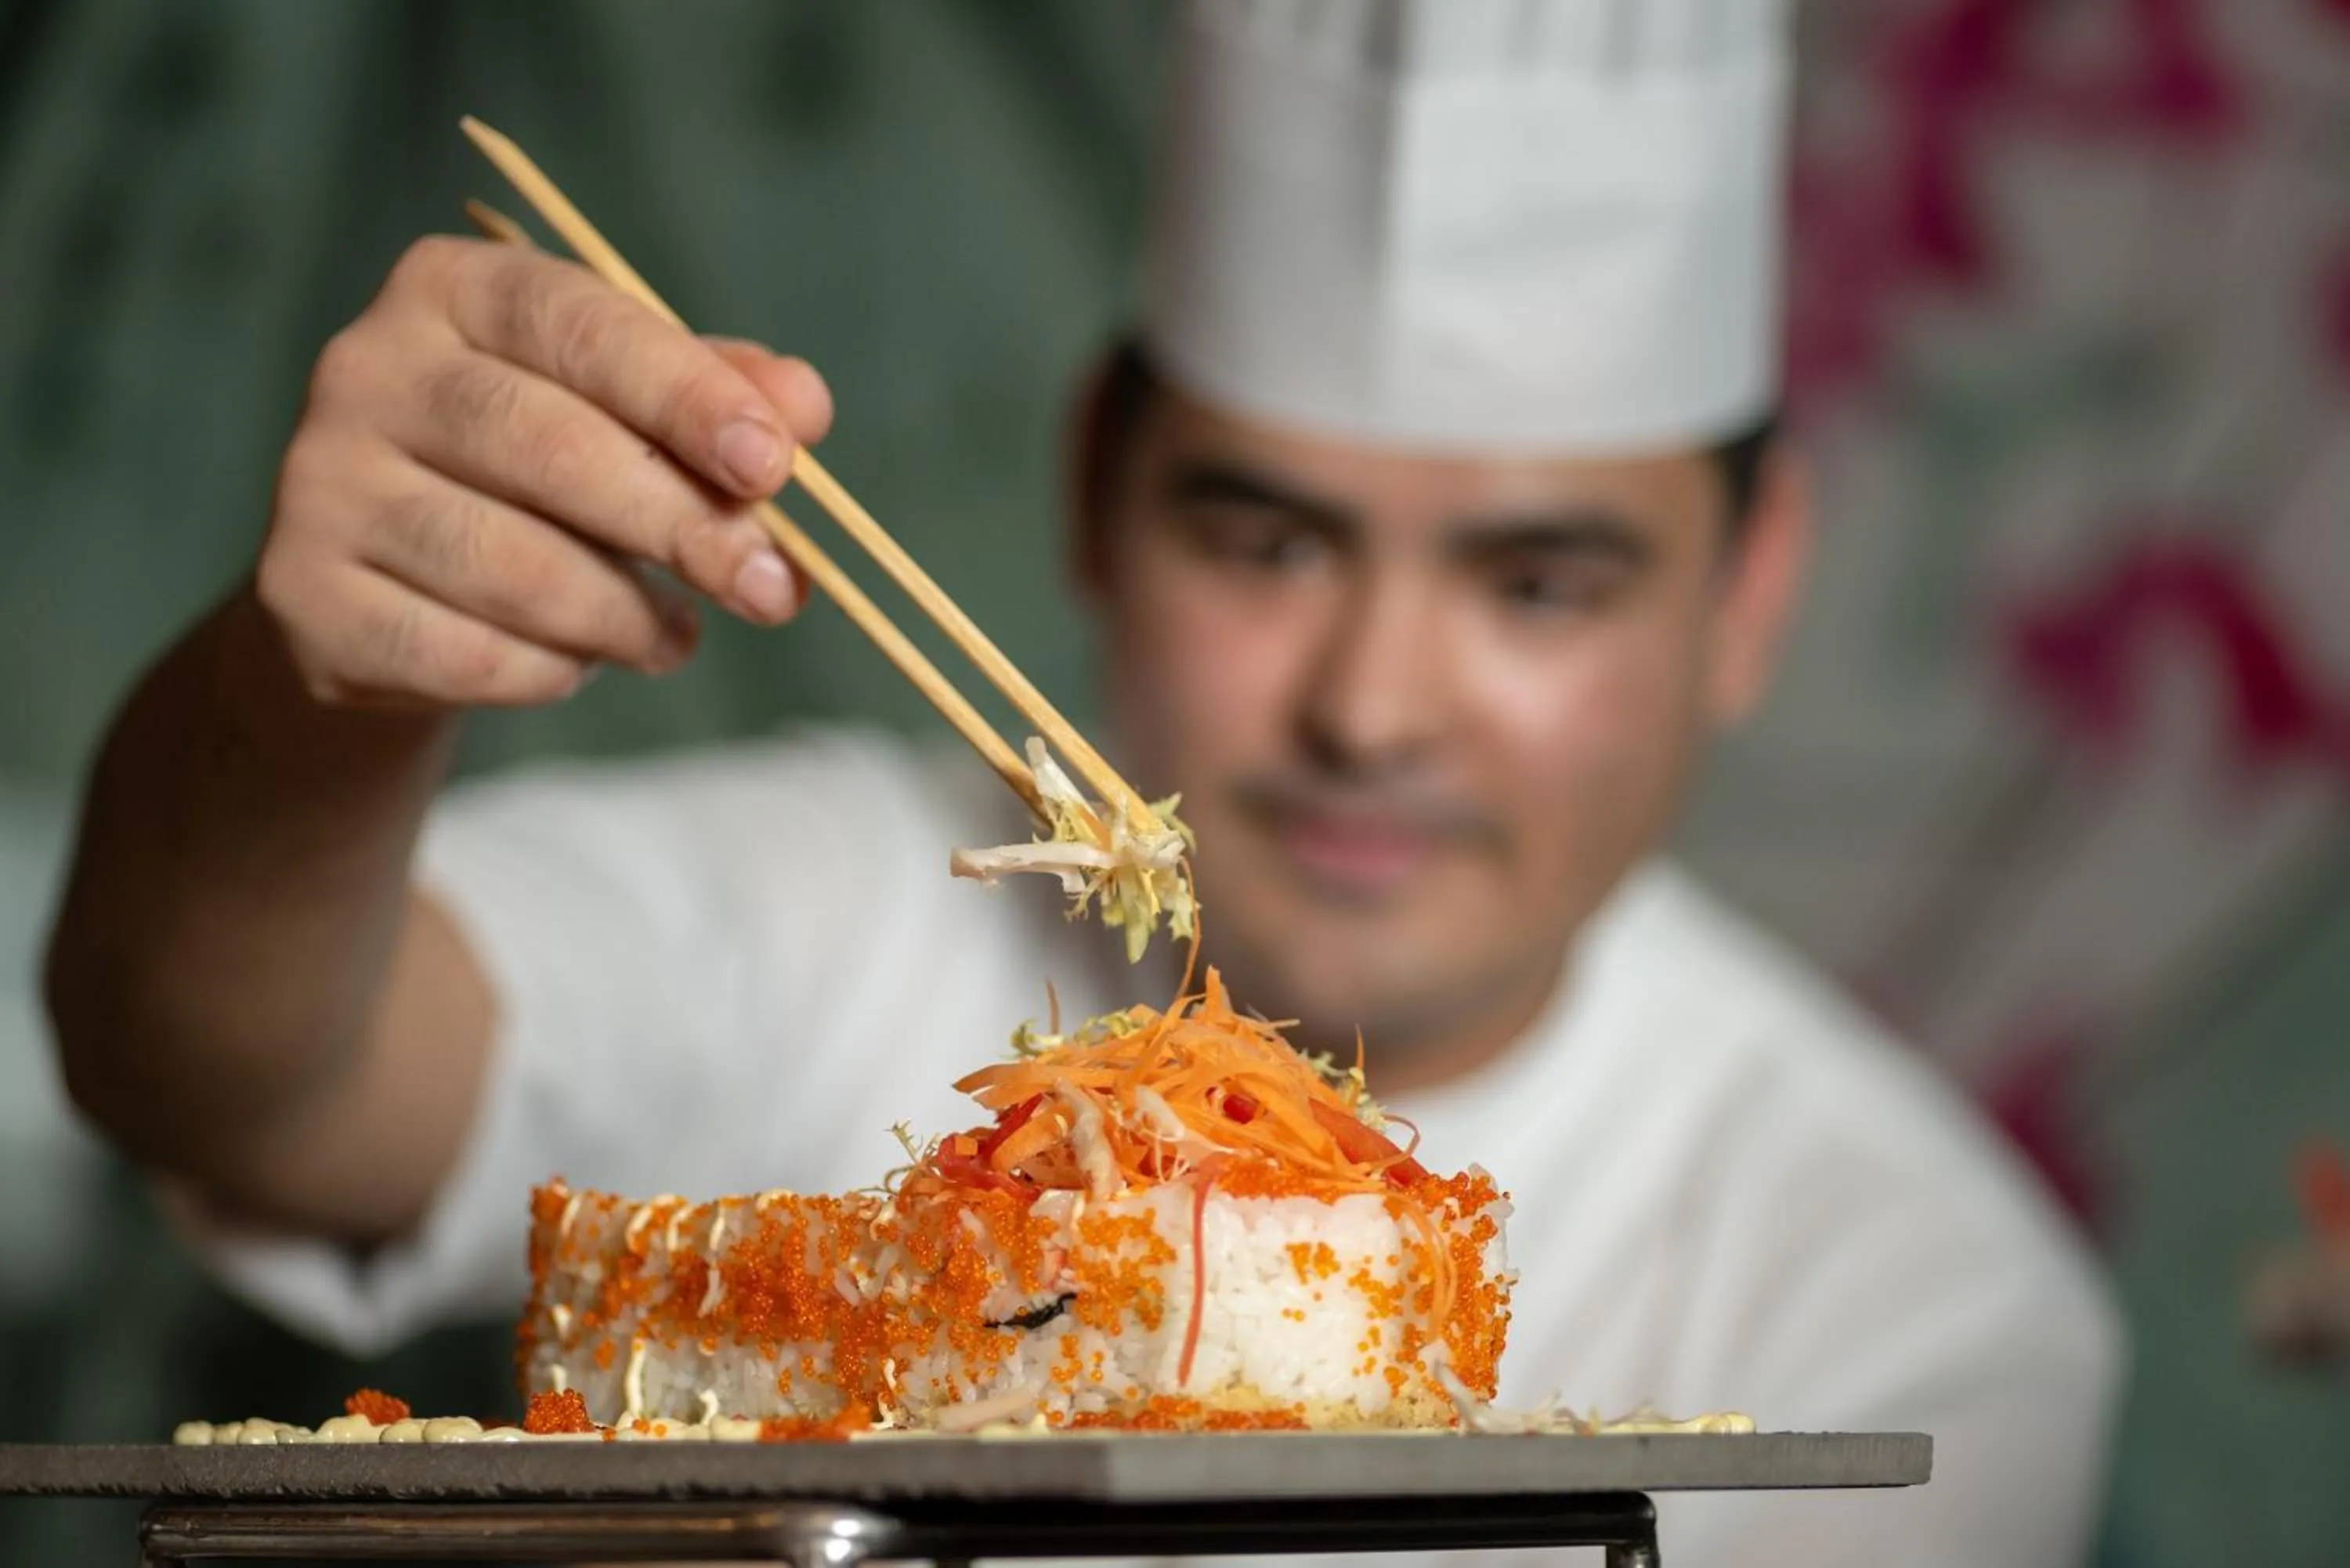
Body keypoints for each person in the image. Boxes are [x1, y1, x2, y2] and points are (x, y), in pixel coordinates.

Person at [42, 0, 2120, 1562]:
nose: (1373, 706)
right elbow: (227, 1078)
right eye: (1266, 538)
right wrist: (316, 693)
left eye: (1540, 583)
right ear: (1096, 499)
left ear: (1747, 598)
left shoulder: (1921, 1302)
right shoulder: (831, 898)